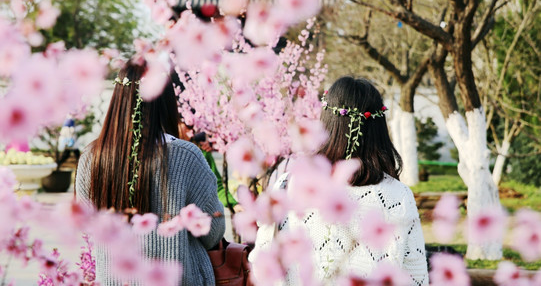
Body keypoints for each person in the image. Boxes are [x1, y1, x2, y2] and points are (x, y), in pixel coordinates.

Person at [251, 76, 429, 285]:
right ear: (378, 128)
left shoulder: (288, 185)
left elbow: (262, 266)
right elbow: (415, 277)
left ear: (326, 123)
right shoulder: (399, 196)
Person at [75, 60, 225, 285]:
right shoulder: (185, 156)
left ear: (118, 99)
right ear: (165, 101)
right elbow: (212, 230)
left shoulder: (91, 158)